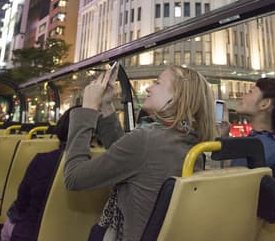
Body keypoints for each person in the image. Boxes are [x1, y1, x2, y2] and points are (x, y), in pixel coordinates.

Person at [63, 65, 216, 241]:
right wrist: (106, 106)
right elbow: (128, 160)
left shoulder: (147, 139)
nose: (148, 88)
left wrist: (88, 108)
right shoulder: (191, 141)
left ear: (177, 96)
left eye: (157, 83)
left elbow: (74, 177)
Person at [1, 109, 71, 241]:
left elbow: (22, 200)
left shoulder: (43, 160)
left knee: (7, 229)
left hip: (35, 232)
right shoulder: (104, 165)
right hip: (82, 235)